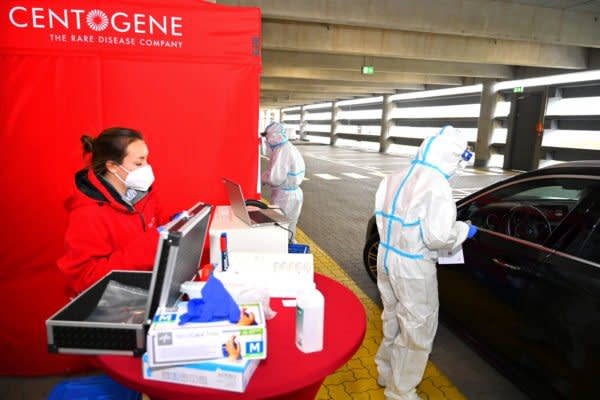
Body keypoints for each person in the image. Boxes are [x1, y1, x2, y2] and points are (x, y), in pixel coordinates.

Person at [374, 125, 478, 400]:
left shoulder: (395, 177)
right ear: (451, 157)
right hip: (412, 267)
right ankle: (401, 392)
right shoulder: (437, 187)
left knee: (392, 317)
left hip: (386, 257)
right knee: (417, 328)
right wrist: (463, 231)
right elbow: (437, 237)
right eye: (459, 160)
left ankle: (385, 371)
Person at [58, 127, 166, 296]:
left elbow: (159, 227)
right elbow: (85, 278)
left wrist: (179, 225)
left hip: (146, 292)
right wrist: (149, 249)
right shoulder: (87, 213)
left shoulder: (144, 194)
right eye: (139, 163)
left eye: (146, 160)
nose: (147, 168)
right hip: (113, 305)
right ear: (112, 167)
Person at [261, 122, 306, 243]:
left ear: (273, 136)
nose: (266, 141)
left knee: (280, 229)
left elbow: (275, 178)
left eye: (267, 137)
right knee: (290, 227)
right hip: (295, 194)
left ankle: (283, 253)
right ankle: (290, 250)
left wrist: (262, 178)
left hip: (284, 197)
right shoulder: (289, 147)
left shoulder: (281, 150)